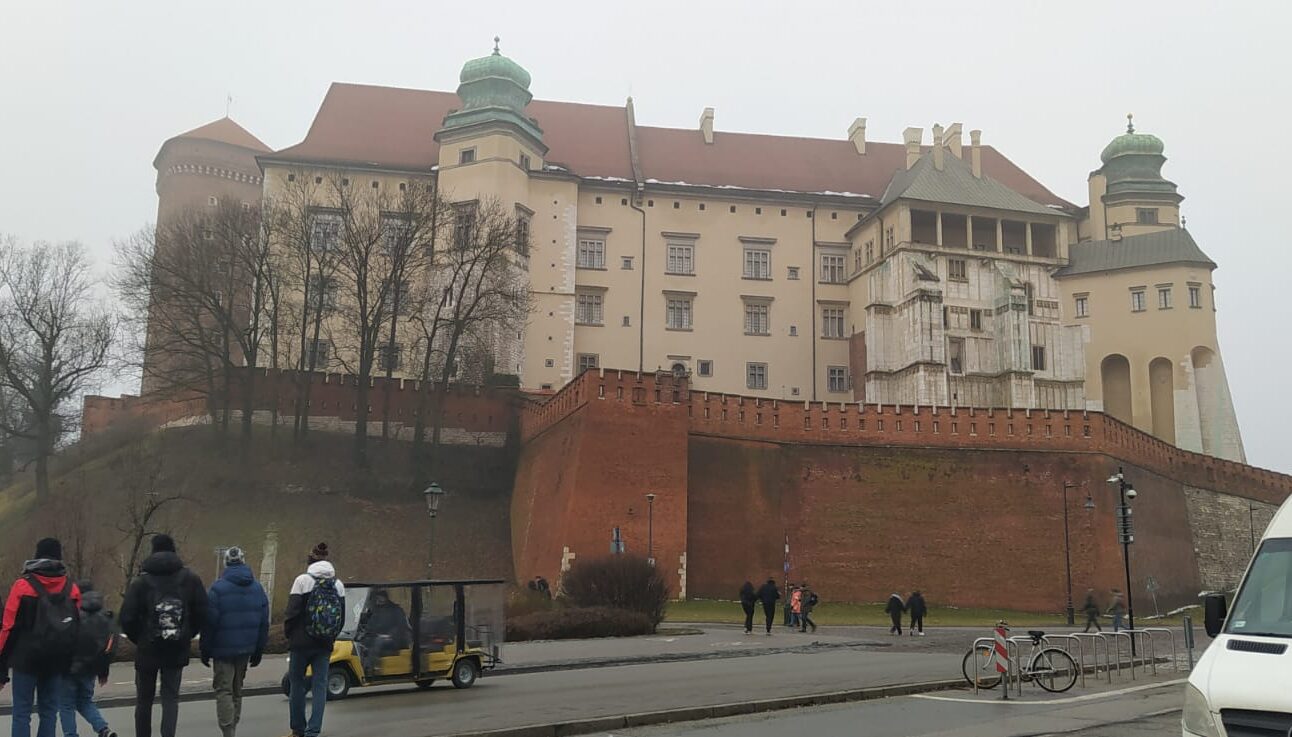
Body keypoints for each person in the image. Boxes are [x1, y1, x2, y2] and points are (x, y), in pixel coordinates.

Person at [119, 534, 207, 737]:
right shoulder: (190, 579)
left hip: (147, 649)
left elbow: (126, 618)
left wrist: (140, 638)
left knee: (144, 700)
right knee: (170, 699)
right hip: (177, 648)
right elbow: (203, 613)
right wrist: (187, 634)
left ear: (153, 551)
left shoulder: (141, 582)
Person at [0, 538, 82, 737]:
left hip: (25, 660)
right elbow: (77, 630)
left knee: (22, 712)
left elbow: (8, 628)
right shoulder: (72, 588)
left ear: (36, 556)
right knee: (49, 712)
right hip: (56, 660)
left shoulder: (22, 586)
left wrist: (1, 665)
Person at [201, 547, 269, 737]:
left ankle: (228, 731)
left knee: (224, 690)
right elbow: (264, 622)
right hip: (246, 648)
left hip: (222, 650)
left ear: (226, 563)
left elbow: (209, 623)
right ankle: (233, 727)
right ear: (243, 561)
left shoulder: (217, 589)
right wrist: (259, 650)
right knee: (237, 690)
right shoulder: (257, 588)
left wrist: (205, 650)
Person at [283, 543, 345, 737]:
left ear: (311, 560)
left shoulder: (302, 581)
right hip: (324, 644)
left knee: (297, 684)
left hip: (300, 643)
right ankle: (314, 730)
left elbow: (291, 613)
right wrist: (330, 636)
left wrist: (290, 635)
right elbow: (341, 618)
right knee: (320, 686)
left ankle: (298, 729)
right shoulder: (338, 584)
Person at [60, 580, 117, 737]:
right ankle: (103, 729)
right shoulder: (105, 616)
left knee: (66, 705)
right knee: (85, 701)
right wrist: (103, 671)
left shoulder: (71, 613)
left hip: (69, 668)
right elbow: (109, 647)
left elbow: (62, 641)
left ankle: (71, 735)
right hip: (91, 668)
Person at [357, 588, 410, 675]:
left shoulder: (395, 610)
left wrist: (389, 635)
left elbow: (401, 626)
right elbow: (370, 625)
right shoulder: (375, 610)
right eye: (376, 598)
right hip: (377, 636)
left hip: (394, 639)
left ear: (385, 597)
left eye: (380, 598)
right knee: (362, 642)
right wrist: (364, 634)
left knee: (378, 642)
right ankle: (361, 666)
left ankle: (371, 668)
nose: (378, 600)